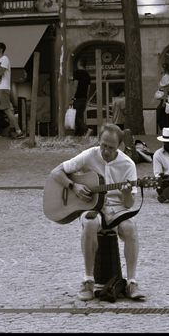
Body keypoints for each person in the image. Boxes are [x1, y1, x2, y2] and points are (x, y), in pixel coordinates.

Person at [50, 123, 145, 301]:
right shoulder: (89, 155)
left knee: (131, 228)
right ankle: (88, 281)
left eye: (111, 147)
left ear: (119, 146)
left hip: (118, 209)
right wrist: (74, 186)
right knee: (90, 222)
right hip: (93, 207)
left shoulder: (128, 165)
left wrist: (126, 192)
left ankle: (132, 282)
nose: (106, 150)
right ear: (99, 141)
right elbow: (56, 172)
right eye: (103, 145)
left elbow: (130, 203)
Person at [0, 42, 24, 139]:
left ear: (1, 50)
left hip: (3, 88)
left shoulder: (5, 59)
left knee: (6, 110)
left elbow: (0, 72)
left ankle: (19, 131)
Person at [71, 59, 92, 137]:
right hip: (84, 98)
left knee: (75, 116)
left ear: (79, 63)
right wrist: (86, 97)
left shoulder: (77, 73)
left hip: (78, 98)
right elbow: (88, 88)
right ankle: (78, 134)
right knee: (80, 116)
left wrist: (72, 97)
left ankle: (86, 130)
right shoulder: (88, 75)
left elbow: (75, 85)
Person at [156, 63, 169, 132]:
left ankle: (165, 129)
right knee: (166, 114)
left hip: (167, 97)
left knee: (161, 114)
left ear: (163, 68)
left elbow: (166, 89)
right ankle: (167, 129)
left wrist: (164, 101)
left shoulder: (166, 77)